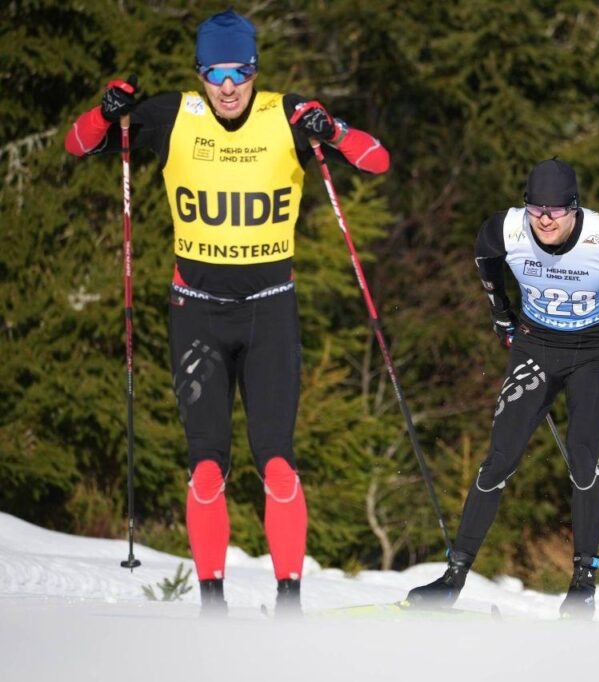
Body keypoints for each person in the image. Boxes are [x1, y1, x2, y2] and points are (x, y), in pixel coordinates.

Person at [64, 10, 390, 616]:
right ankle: (212, 607)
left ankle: (288, 603)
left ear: (255, 69)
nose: (229, 84)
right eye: (216, 72)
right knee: (207, 464)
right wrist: (105, 113)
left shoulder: (285, 114)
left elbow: (376, 160)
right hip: (198, 315)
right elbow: (78, 143)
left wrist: (333, 128)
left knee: (278, 462)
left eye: (240, 70)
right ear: (200, 73)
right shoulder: (171, 115)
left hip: (269, 313)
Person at [406, 159, 599, 619]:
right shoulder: (506, 229)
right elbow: (484, 258)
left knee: (583, 456)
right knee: (499, 457)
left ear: (574, 208)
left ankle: (583, 584)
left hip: (594, 351)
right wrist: (500, 311)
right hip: (535, 347)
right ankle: (454, 577)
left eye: (556, 210)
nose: (544, 218)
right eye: (536, 207)